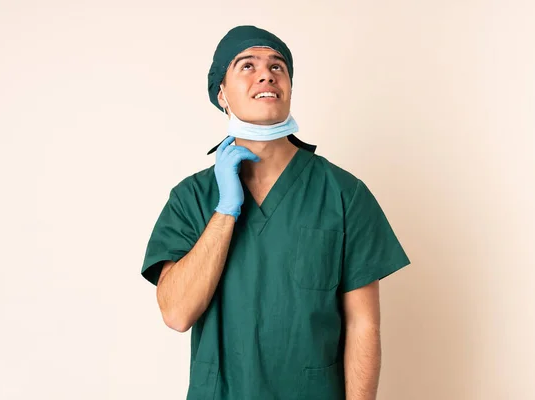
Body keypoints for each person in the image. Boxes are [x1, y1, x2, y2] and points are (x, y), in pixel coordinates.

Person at [140, 25, 411, 400]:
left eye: (277, 66)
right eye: (247, 66)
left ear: (288, 86)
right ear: (221, 94)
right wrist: (225, 211)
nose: (266, 73)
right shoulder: (191, 198)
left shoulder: (344, 194)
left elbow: (363, 324)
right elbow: (176, 314)